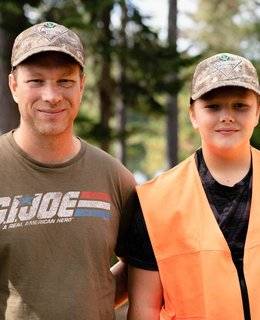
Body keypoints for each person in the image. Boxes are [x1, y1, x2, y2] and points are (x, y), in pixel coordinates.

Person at [0, 21, 136, 319]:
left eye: (65, 81)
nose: (51, 95)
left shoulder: (115, 178)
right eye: (36, 81)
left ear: (82, 85)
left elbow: (139, 264)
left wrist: (90, 300)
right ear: (13, 86)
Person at [123, 53, 260, 320]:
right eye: (213, 106)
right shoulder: (156, 201)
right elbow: (144, 308)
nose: (227, 116)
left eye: (240, 106)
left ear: (257, 112)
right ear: (193, 115)